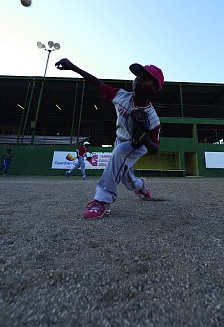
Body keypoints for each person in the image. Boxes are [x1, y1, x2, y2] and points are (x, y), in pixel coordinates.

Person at [55, 58, 164, 219]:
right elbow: (97, 83)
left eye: (145, 78)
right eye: (138, 75)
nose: (139, 78)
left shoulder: (153, 118)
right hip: (120, 140)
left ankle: (102, 201)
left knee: (119, 152)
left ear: (154, 89)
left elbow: (155, 149)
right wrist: (73, 68)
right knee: (127, 177)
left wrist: (144, 137)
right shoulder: (121, 96)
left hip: (137, 145)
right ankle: (140, 186)